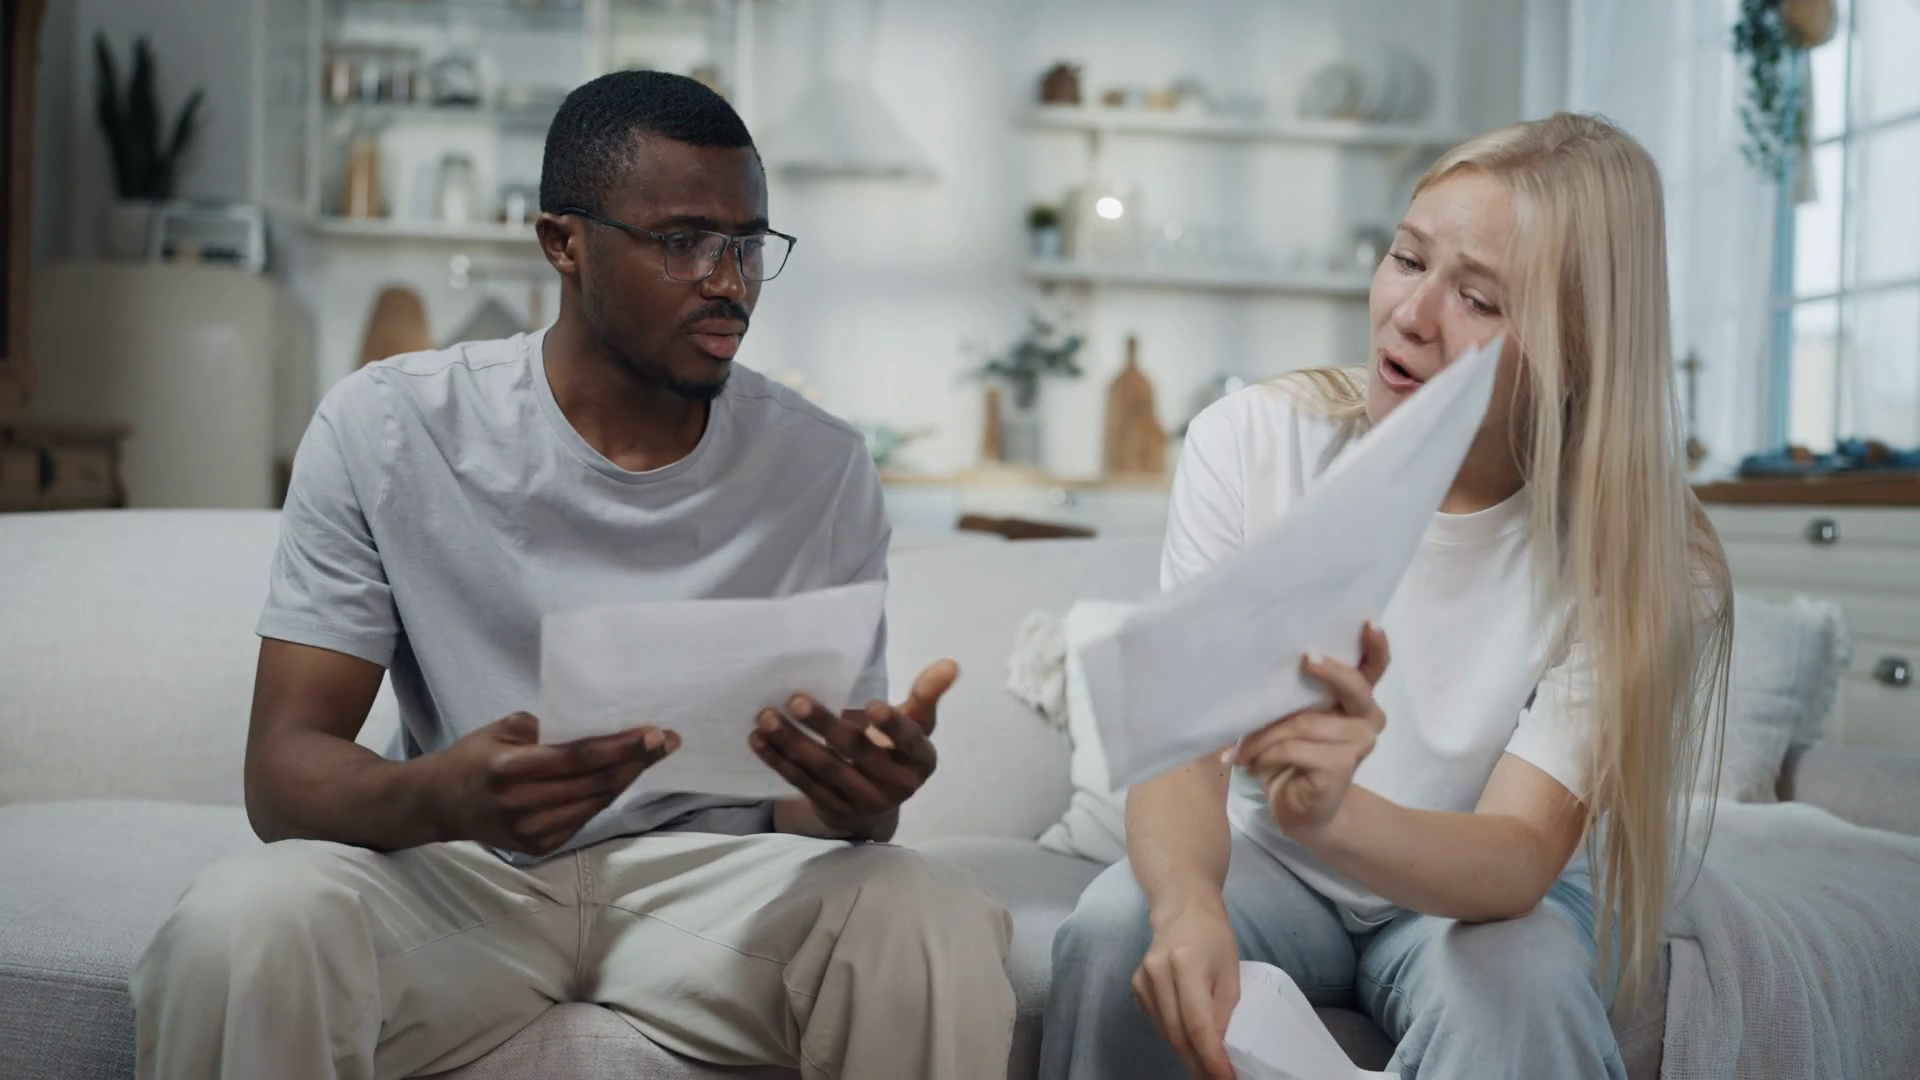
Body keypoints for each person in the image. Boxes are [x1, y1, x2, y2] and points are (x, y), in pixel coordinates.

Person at [132, 71, 1014, 1080]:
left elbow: (809, 810)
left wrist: (862, 799)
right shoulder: (391, 426)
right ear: (563, 242)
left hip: (723, 888)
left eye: (747, 244)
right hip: (462, 876)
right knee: (242, 923)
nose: (728, 281)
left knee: (930, 916)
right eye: (683, 241)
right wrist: (441, 797)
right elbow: (284, 769)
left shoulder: (821, 465)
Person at [1040, 113, 1733, 1080]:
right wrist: (1189, 904)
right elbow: (1185, 749)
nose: (1411, 315)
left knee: (1517, 994)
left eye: (1478, 299)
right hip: (1281, 871)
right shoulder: (1251, 443)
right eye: (1407, 259)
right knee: (1119, 929)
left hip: (1487, 896)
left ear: (1580, 351)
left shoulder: (1649, 561)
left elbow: (1519, 849)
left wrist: (1334, 815)